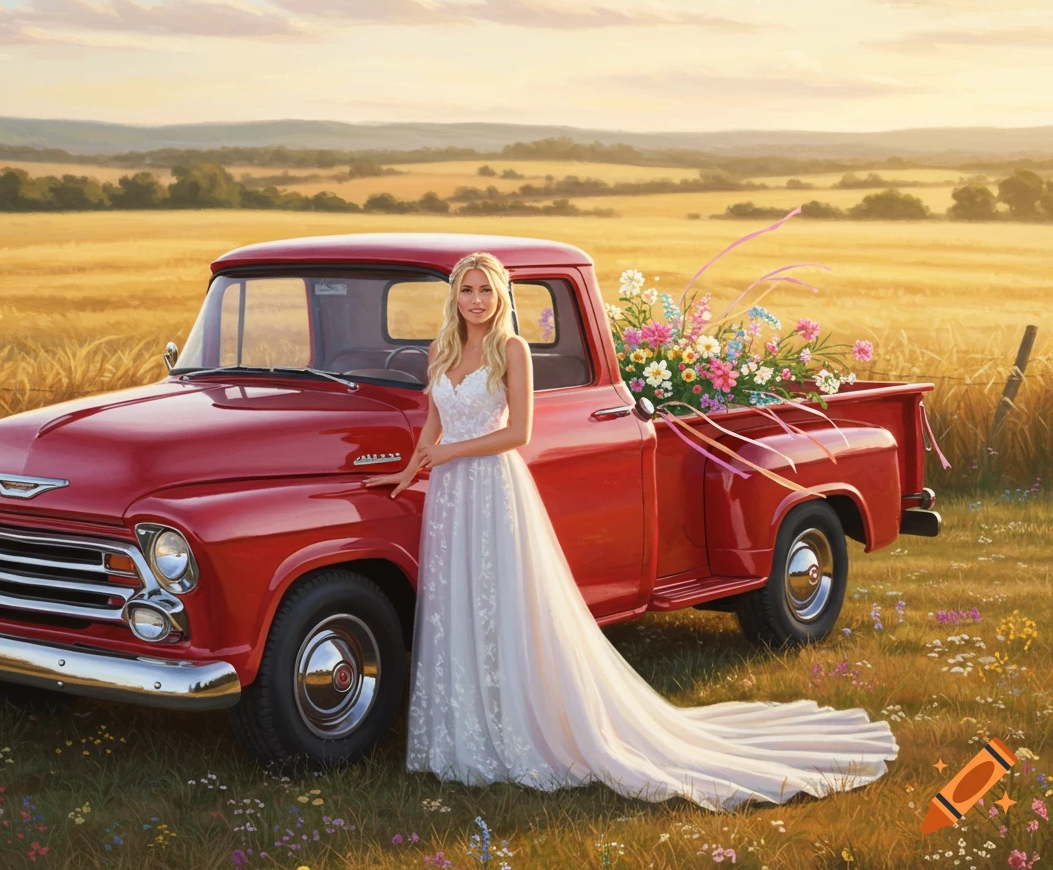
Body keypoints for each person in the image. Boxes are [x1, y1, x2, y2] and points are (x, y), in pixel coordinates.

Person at [361, 251, 898, 813]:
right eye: (466, 290)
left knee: (501, 601)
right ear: (455, 296)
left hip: (492, 486)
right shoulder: (442, 350)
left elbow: (517, 433)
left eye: (485, 290)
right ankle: (460, 734)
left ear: (501, 296)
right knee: (456, 602)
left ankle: (516, 727)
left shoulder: (511, 350)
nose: (475, 301)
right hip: (450, 493)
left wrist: (449, 453)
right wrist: (410, 468)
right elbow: (433, 421)